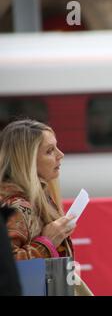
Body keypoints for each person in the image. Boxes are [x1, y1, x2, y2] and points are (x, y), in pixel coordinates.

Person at [0, 119, 92, 295]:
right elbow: (6, 269)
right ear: (26, 161)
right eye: (50, 151)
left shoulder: (38, 196)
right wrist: (46, 243)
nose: (61, 154)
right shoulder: (14, 207)